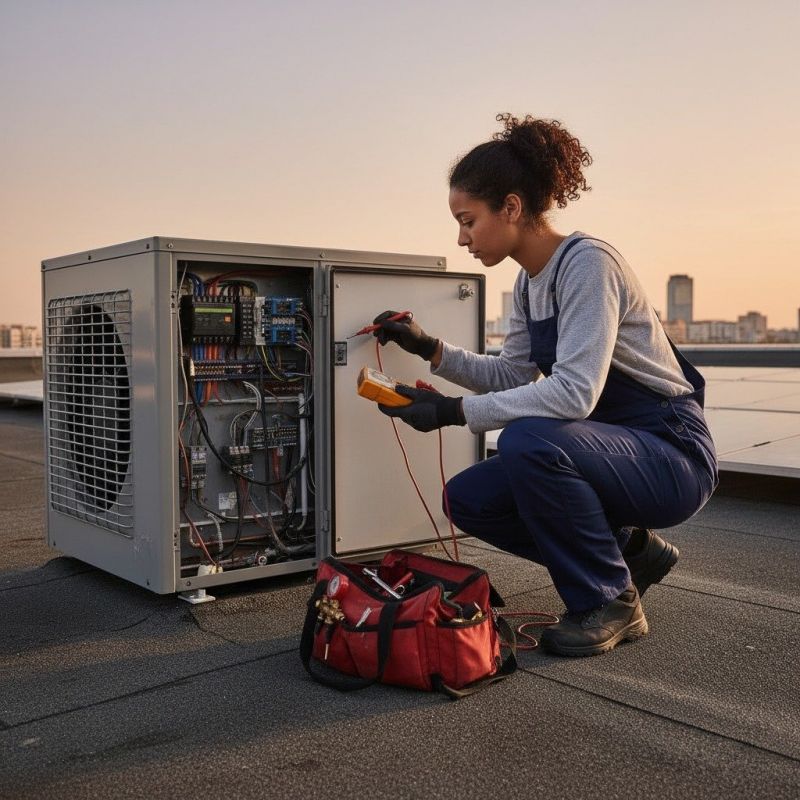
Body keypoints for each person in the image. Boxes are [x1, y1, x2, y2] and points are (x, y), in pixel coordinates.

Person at [373, 113, 718, 657]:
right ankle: (630, 552)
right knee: (469, 499)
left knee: (527, 440)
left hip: (670, 454)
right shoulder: (529, 283)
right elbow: (511, 375)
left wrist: (452, 413)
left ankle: (610, 601)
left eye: (468, 221)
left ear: (511, 207)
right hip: (607, 448)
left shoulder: (589, 265)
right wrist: (429, 348)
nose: (461, 238)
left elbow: (574, 393)